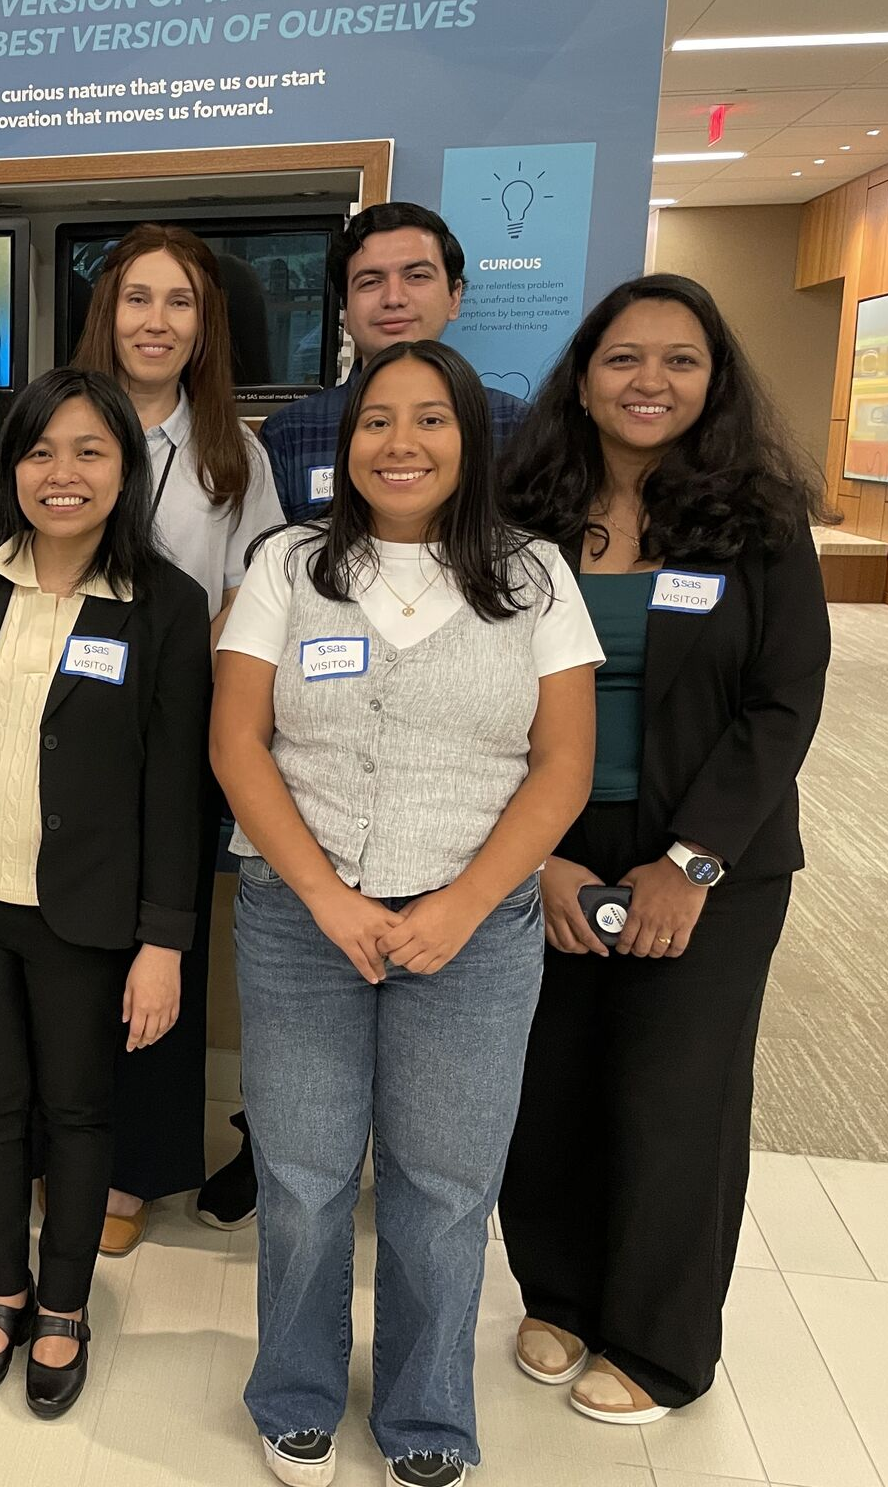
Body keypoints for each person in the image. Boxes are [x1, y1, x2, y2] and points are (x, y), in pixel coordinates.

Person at [212, 340, 600, 1487]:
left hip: (472, 933)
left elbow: (561, 766)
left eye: (430, 421)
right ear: (346, 442)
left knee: (441, 1184)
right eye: (378, 421)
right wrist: (328, 897)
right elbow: (238, 744)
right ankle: (293, 1390)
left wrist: (463, 904)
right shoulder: (287, 564)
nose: (401, 443)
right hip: (297, 918)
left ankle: (428, 1412)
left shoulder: (530, 575)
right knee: (302, 1169)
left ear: (467, 441)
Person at [497, 274, 831, 1426]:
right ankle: (556, 1294)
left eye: (678, 360)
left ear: (712, 379)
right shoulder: (520, 510)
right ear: (581, 379)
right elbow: (475, 693)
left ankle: (657, 1342)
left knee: (672, 1093)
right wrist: (530, 860)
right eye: (622, 359)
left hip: (710, 856)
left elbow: (783, 702)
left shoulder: (756, 518)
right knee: (546, 1084)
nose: (649, 382)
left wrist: (688, 864)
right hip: (544, 837)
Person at [0, 367, 211, 1420]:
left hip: (86, 915)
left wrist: (164, 941)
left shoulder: (163, 606)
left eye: (88, 452)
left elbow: (173, 787)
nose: (60, 474)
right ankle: (0, 1290)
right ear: (11, 466)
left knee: (76, 1108)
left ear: (124, 471)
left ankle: (63, 1305)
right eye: (38, 451)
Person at [68, 221, 284, 1250]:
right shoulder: (54, 424)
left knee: (161, 949)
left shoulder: (229, 451)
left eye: (180, 303)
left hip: (177, 742)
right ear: (104, 312)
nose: (156, 321)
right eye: (138, 298)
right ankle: (59, 1143)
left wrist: (162, 658)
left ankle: (132, 1168)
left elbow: (257, 596)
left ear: (204, 329)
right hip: (57, 730)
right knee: (60, 949)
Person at [260, 202, 529, 525]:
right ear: (345, 308)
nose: (394, 298)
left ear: (454, 297)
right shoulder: (291, 432)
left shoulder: (515, 425)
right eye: (370, 282)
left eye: (416, 276)